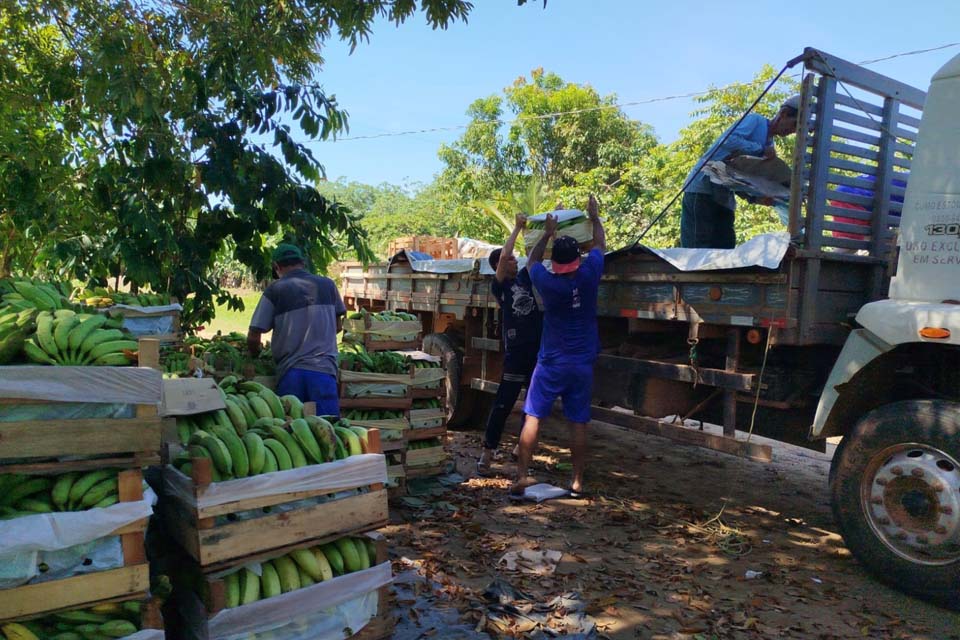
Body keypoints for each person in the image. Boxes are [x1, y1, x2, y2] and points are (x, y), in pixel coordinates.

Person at [511, 196, 605, 498]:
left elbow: (533, 260)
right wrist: (594, 217)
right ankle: (577, 482)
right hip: (582, 365)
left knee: (534, 416)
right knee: (578, 421)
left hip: (551, 363)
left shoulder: (547, 282)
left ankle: (523, 476)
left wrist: (546, 233)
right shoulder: (590, 275)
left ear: (557, 262)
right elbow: (600, 246)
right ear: (578, 258)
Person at [680, 95, 801, 249]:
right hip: (702, 189)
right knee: (697, 249)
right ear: (783, 114)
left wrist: (756, 199)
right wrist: (760, 149)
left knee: (725, 250)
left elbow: (738, 177)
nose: (792, 131)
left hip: (724, 196)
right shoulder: (756, 121)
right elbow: (727, 140)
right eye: (794, 124)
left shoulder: (769, 143)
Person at [477, 213, 544, 476]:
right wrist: (516, 228)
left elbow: (537, 256)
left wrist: (548, 234)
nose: (515, 261)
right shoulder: (500, 286)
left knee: (534, 403)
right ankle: (487, 453)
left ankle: (520, 450)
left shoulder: (525, 279)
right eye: (512, 260)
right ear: (500, 267)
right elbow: (505, 256)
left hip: (535, 351)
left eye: (517, 260)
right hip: (516, 353)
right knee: (504, 404)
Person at [247, 243, 346, 416]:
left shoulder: (275, 290)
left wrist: (254, 355)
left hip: (291, 372)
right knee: (330, 431)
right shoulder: (328, 285)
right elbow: (338, 326)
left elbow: (254, 334)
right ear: (303, 262)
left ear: (276, 267)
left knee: (291, 433)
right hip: (324, 371)